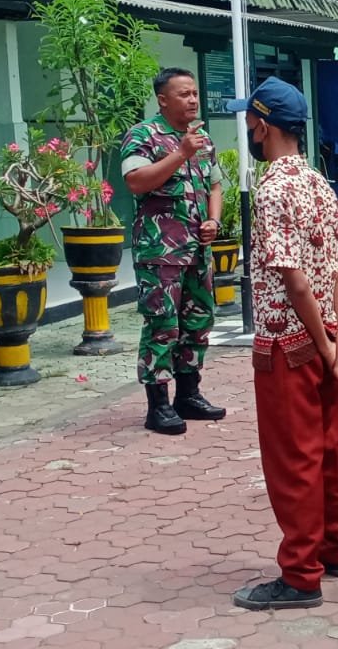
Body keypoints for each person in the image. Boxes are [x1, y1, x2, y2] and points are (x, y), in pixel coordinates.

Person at [229, 77, 338, 611]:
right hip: (326, 329)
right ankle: (334, 548)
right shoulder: (317, 183)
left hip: (290, 339)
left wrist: (327, 350)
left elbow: (293, 279)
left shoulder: (273, 188)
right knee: (330, 449)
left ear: (261, 124)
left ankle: (301, 574)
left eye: (250, 121)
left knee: (294, 458)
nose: (249, 129)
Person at [121, 67, 228, 436]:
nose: (193, 100)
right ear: (162, 100)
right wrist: (180, 154)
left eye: (195, 93)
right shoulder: (143, 136)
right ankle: (158, 405)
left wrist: (214, 221)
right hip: (160, 252)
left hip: (198, 251)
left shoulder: (201, 138)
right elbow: (135, 182)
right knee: (163, 324)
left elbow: (216, 186)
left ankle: (189, 394)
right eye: (184, 94)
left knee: (198, 322)